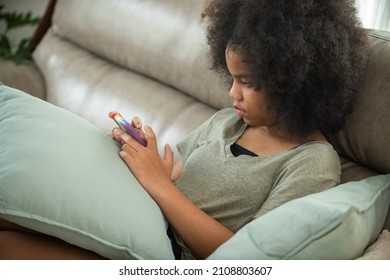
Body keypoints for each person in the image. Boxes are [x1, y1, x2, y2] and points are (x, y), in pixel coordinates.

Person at [0, 0, 368, 260]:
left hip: (163, 254)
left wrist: (156, 183)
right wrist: (145, 151)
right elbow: (174, 170)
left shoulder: (312, 162)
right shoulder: (228, 121)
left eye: (247, 82)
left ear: (296, 81)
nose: (231, 92)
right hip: (133, 213)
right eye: (231, 77)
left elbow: (245, 257)